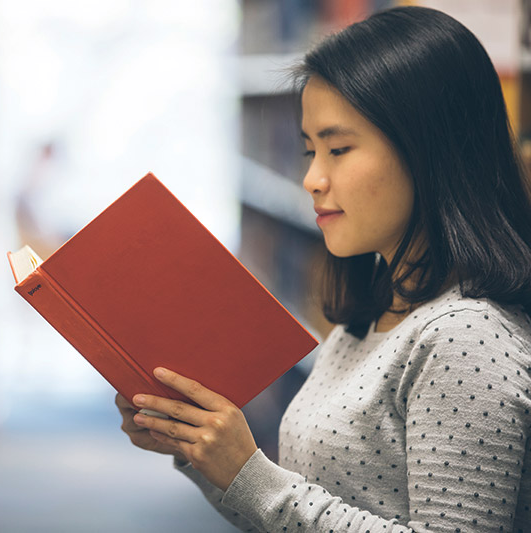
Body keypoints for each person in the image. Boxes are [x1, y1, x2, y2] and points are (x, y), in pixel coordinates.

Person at [115, 6, 531, 532]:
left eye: (338, 149)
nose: (312, 178)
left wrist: (250, 473)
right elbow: (299, 508)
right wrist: (204, 453)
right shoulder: (380, 311)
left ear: (428, 149)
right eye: (311, 150)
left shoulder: (466, 338)